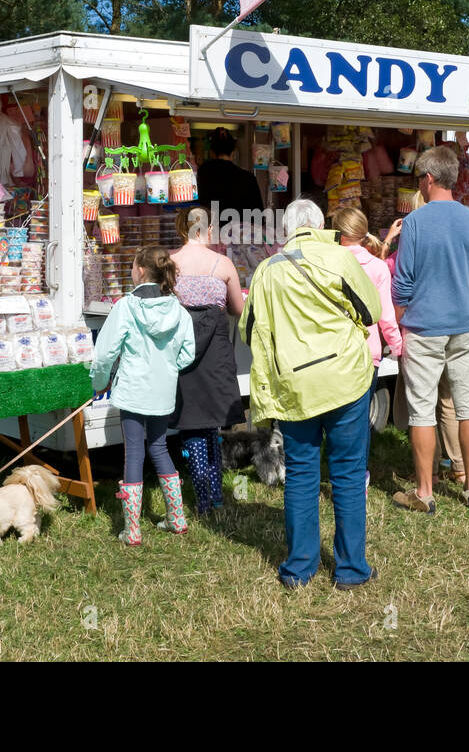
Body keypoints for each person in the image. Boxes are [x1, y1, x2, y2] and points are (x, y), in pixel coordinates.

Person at [241, 199, 381, 590]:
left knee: (301, 474)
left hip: (295, 386)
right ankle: (351, 569)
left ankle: (299, 569)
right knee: (348, 474)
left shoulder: (266, 271)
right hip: (345, 380)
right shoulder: (338, 258)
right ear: (321, 225)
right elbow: (370, 311)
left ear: (286, 229)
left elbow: (247, 328)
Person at [392, 146, 469, 513]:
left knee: (422, 411)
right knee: (468, 407)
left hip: (423, 328)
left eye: (418, 181)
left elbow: (402, 284)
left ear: (427, 179)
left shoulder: (415, 224)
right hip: (463, 327)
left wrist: (402, 314)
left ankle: (425, 493)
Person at [90, 246, 197, 545]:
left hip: (134, 390)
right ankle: (176, 518)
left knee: (134, 452)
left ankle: (132, 529)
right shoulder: (178, 309)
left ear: (139, 271)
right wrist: (167, 369)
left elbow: (104, 354)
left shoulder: (126, 306)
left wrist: (99, 383)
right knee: (160, 447)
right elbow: (188, 353)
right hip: (162, 390)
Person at [170, 206, 246, 513]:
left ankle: (203, 496)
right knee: (212, 425)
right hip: (215, 353)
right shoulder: (223, 263)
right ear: (207, 230)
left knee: (191, 425)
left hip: (182, 350)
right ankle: (214, 494)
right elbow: (238, 309)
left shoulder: (170, 263)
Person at [329, 207, 403, 496]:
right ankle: (356, 475)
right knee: (359, 417)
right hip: (366, 352)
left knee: (334, 413)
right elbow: (385, 316)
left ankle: (337, 471)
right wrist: (397, 347)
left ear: (337, 232)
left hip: (332, 349)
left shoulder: (326, 263)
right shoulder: (377, 267)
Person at [196, 127, 264, 220]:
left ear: (212, 153)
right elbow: (258, 215)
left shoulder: (203, 172)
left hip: (210, 230)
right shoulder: (248, 178)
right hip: (242, 232)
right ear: (233, 153)